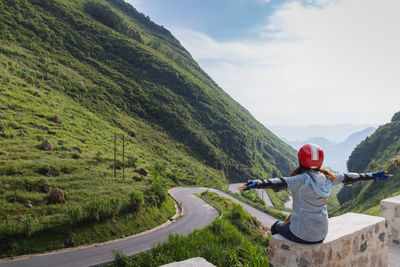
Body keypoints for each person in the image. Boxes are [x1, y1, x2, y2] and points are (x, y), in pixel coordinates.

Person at [238, 143, 392, 244]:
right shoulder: (329, 177)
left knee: (275, 227)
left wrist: (257, 183)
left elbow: (279, 181)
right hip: (322, 232)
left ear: (300, 160)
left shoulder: (300, 179)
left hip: (302, 235)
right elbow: (350, 176)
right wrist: (372, 175)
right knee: (290, 219)